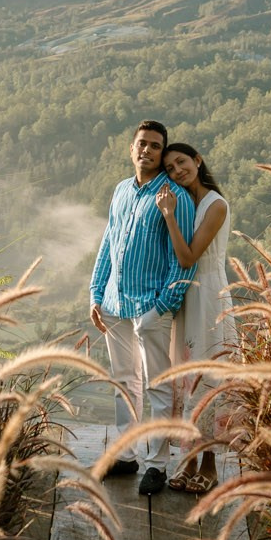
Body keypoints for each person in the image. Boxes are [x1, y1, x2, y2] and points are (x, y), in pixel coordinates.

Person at [88, 120, 197, 496]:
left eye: (154, 146)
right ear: (130, 148)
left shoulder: (175, 197)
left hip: (151, 306)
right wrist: (95, 294)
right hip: (115, 304)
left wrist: (163, 305)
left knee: (158, 387)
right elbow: (108, 244)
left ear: (160, 151)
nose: (146, 150)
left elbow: (184, 261)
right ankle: (127, 454)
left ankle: (157, 464)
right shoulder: (121, 190)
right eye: (141, 144)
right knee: (123, 382)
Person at [156, 142, 231, 495]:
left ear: (198, 160)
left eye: (181, 162)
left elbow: (188, 257)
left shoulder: (215, 205)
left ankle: (211, 464)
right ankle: (188, 459)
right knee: (187, 379)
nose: (177, 171)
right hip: (188, 297)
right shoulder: (188, 203)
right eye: (169, 168)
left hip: (209, 297)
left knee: (209, 377)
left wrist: (168, 216)